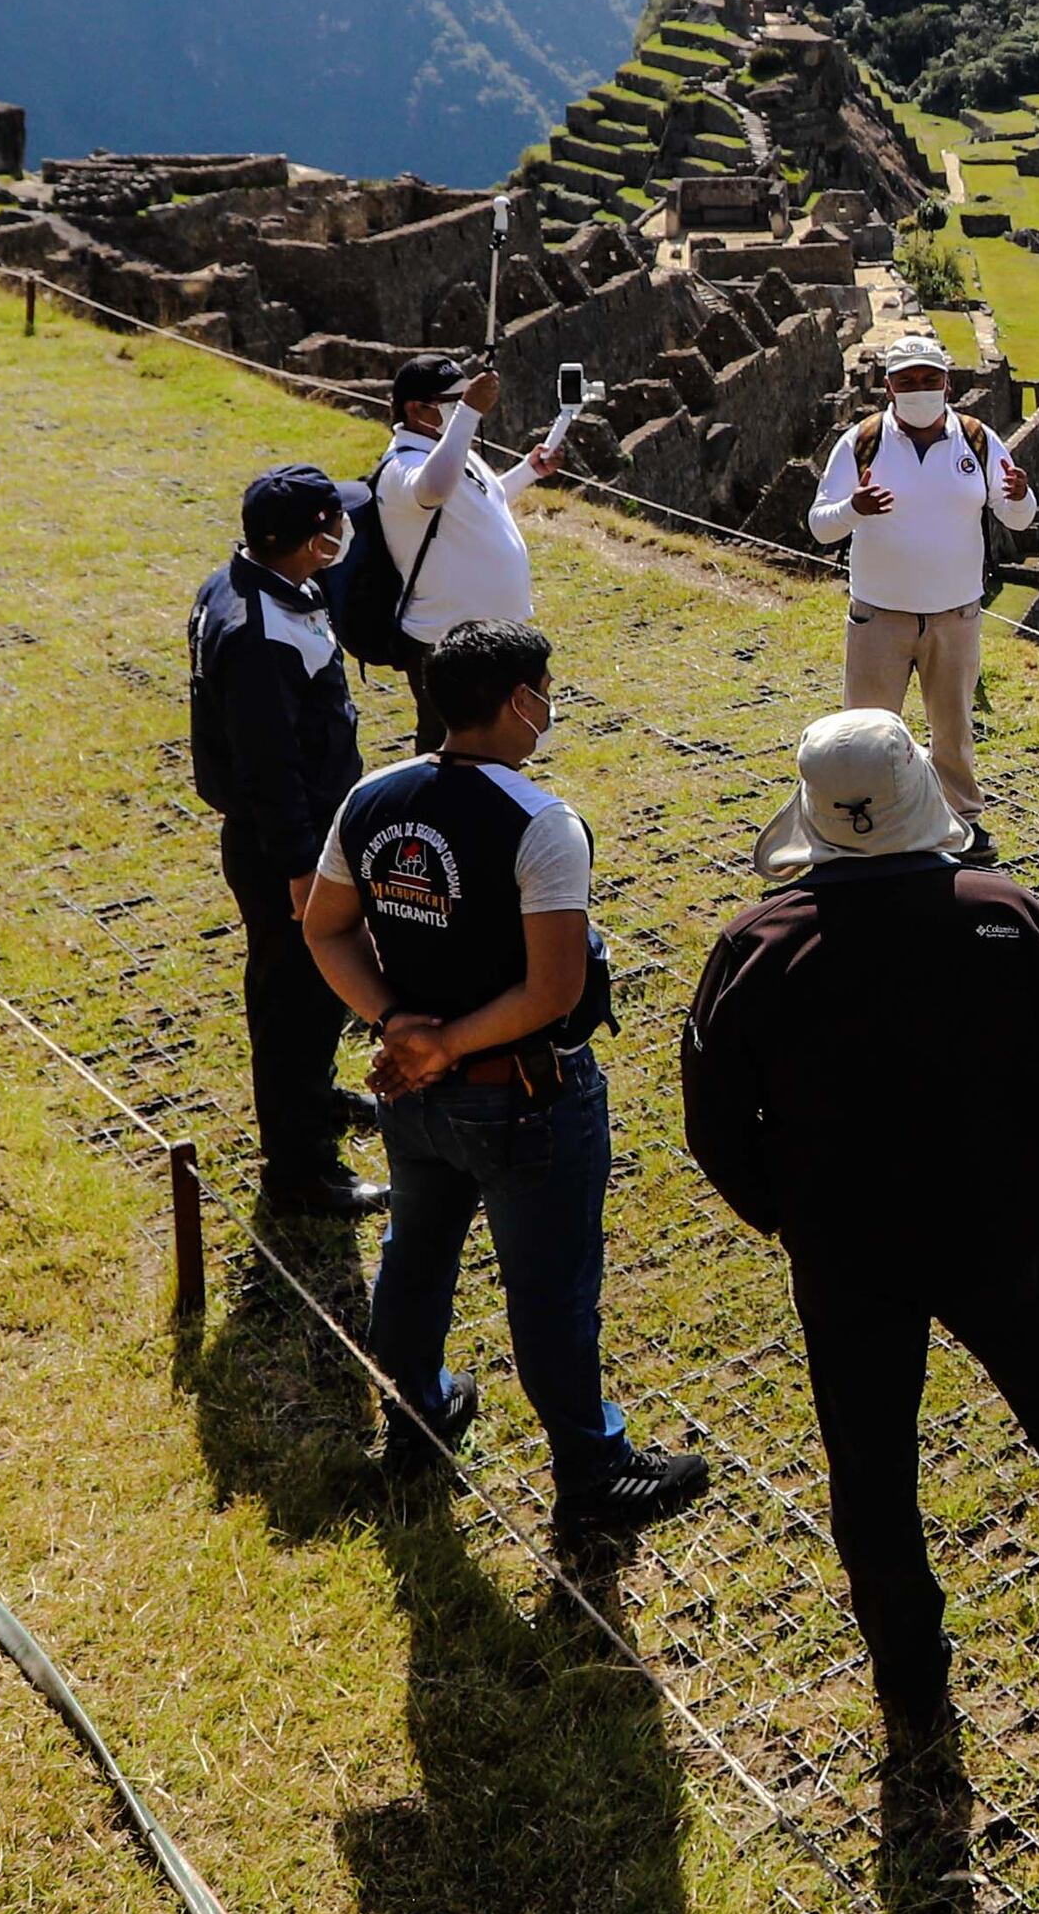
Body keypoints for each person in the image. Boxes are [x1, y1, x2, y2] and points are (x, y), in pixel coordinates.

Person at [679, 708, 1039, 1732]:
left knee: (871, 1459)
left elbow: (711, 1122)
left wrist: (784, 1215)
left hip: (846, 1249)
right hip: (998, 1225)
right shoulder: (1000, 913)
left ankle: (908, 1670)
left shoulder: (757, 944)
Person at [303, 617, 713, 1563]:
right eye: (543, 686)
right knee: (552, 1289)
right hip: (526, 1096)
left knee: (415, 1253)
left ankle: (416, 1414)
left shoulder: (371, 799)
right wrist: (443, 1039)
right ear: (518, 700)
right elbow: (553, 988)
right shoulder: (542, 824)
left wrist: (395, 1025)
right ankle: (592, 1474)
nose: (547, 703)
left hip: (415, 1094)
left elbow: (323, 927)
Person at [185, 462, 379, 1219]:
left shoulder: (248, 582)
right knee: (292, 1000)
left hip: (307, 832)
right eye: (332, 522)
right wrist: (303, 869)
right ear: (304, 540)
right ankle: (300, 1170)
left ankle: (314, 1095)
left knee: (311, 993)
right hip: (288, 847)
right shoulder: (256, 635)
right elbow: (270, 767)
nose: (342, 531)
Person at [806, 326, 1035, 847]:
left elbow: (1018, 518)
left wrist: (1020, 496)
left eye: (928, 379)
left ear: (947, 384)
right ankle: (868, 824)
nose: (918, 389)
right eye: (906, 381)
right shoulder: (862, 442)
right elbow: (820, 525)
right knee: (866, 731)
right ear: (888, 388)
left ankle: (961, 823)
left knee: (952, 729)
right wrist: (854, 510)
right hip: (879, 616)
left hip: (955, 616)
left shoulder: (977, 439)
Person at [377, 353, 569, 660]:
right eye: (453, 401)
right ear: (415, 409)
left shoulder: (451, 452)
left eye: (464, 398)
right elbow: (433, 491)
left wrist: (529, 470)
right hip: (448, 643)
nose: (463, 406)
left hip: (498, 632)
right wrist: (467, 414)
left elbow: (484, 500)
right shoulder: (401, 465)